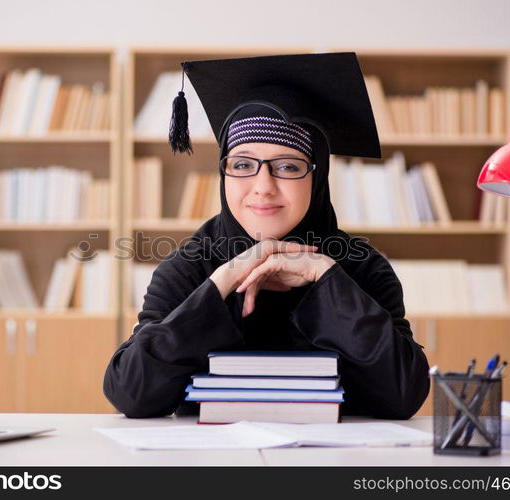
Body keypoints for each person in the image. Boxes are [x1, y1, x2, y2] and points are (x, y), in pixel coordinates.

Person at [104, 52, 430, 419]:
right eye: (242, 164)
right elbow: (131, 393)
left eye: (288, 166)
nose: (263, 187)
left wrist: (325, 277)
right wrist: (221, 284)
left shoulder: (361, 268)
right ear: (223, 172)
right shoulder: (190, 267)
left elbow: (404, 395)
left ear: (317, 177)